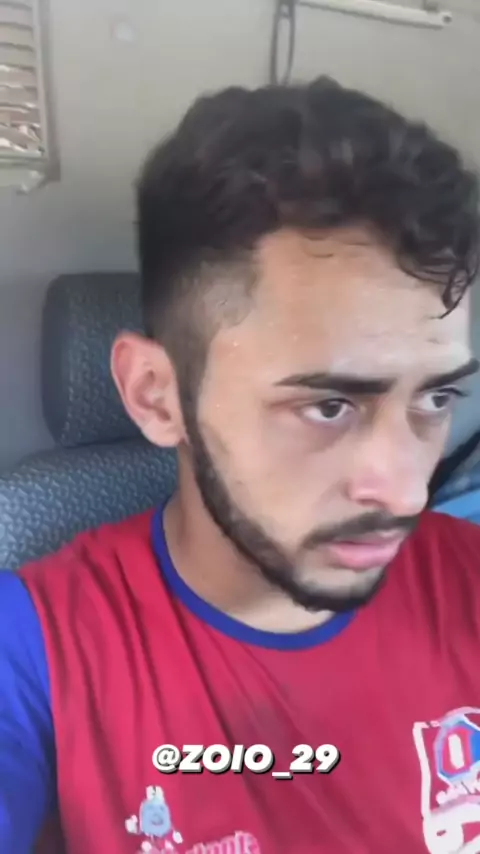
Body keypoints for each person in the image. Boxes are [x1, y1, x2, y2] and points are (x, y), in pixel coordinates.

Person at [1, 76, 480, 854]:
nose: (405, 491)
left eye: (436, 398)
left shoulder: (469, 583)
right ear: (156, 395)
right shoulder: (33, 648)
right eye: (329, 406)